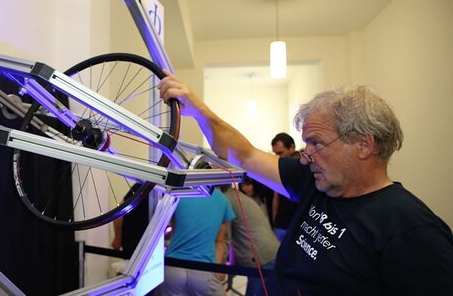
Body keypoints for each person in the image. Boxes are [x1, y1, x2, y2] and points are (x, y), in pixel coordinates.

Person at [158, 72, 453, 295]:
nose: (304, 156)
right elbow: (245, 155)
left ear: (363, 145)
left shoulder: (412, 229)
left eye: (316, 143)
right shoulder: (313, 179)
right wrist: (197, 110)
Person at [162, 187, 235, 295]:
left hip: (173, 267)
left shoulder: (179, 194)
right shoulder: (222, 199)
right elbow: (220, 241)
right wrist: (217, 269)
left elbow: (174, 229)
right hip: (203, 270)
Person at [220, 184, 280, 296]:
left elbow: (224, 238)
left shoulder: (225, 200)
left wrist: (220, 269)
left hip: (261, 258)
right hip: (268, 253)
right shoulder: (236, 196)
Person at [270, 133, 300, 242]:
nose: (277, 157)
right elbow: (276, 199)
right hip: (281, 224)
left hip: (298, 226)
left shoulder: (304, 167)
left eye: (280, 153)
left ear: (291, 147)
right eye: (275, 153)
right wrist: (275, 223)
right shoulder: (278, 169)